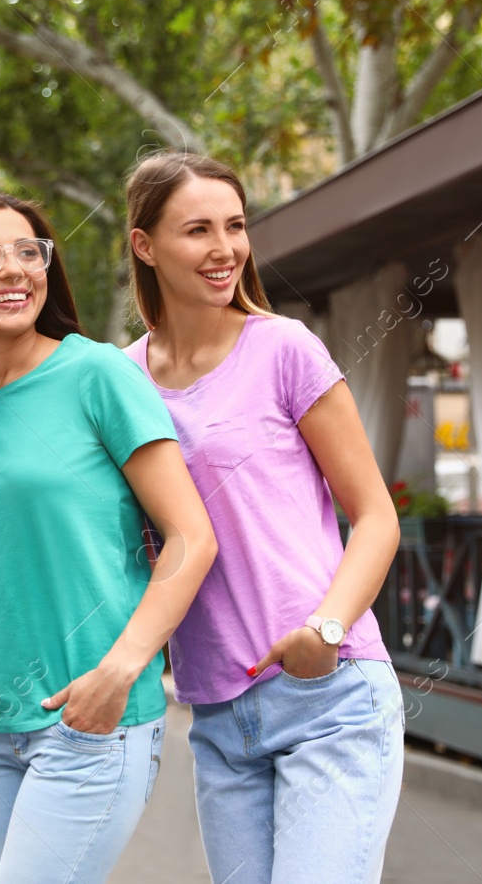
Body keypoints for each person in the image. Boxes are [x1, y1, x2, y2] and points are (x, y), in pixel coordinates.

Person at [0, 192, 216, 883]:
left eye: (30, 251)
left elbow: (190, 536)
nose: (14, 269)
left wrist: (122, 669)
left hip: (89, 718)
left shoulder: (96, 373)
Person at [122, 152, 404, 884]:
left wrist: (326, 631)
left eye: (236, 226)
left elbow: (375, 515)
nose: (224, 249)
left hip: (328, 693)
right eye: (197, 230)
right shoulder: (122, 379)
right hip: (217, 716)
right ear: (144, 244)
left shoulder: (283, 347)